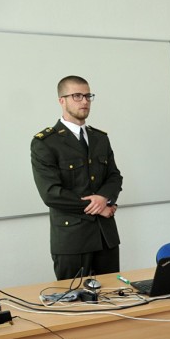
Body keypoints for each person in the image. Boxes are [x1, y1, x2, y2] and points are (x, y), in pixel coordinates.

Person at [31, 76, 123, 280]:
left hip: (105, 236)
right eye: (77, 96)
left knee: (113, 293)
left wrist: (104, 198)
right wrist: (99, 207)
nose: (84, 101)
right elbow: (51, 193)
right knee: (73, 297)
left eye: (88, 96)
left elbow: (114, 177)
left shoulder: (100, 138)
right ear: (61, 100)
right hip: (72, 239)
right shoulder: (46, 143)